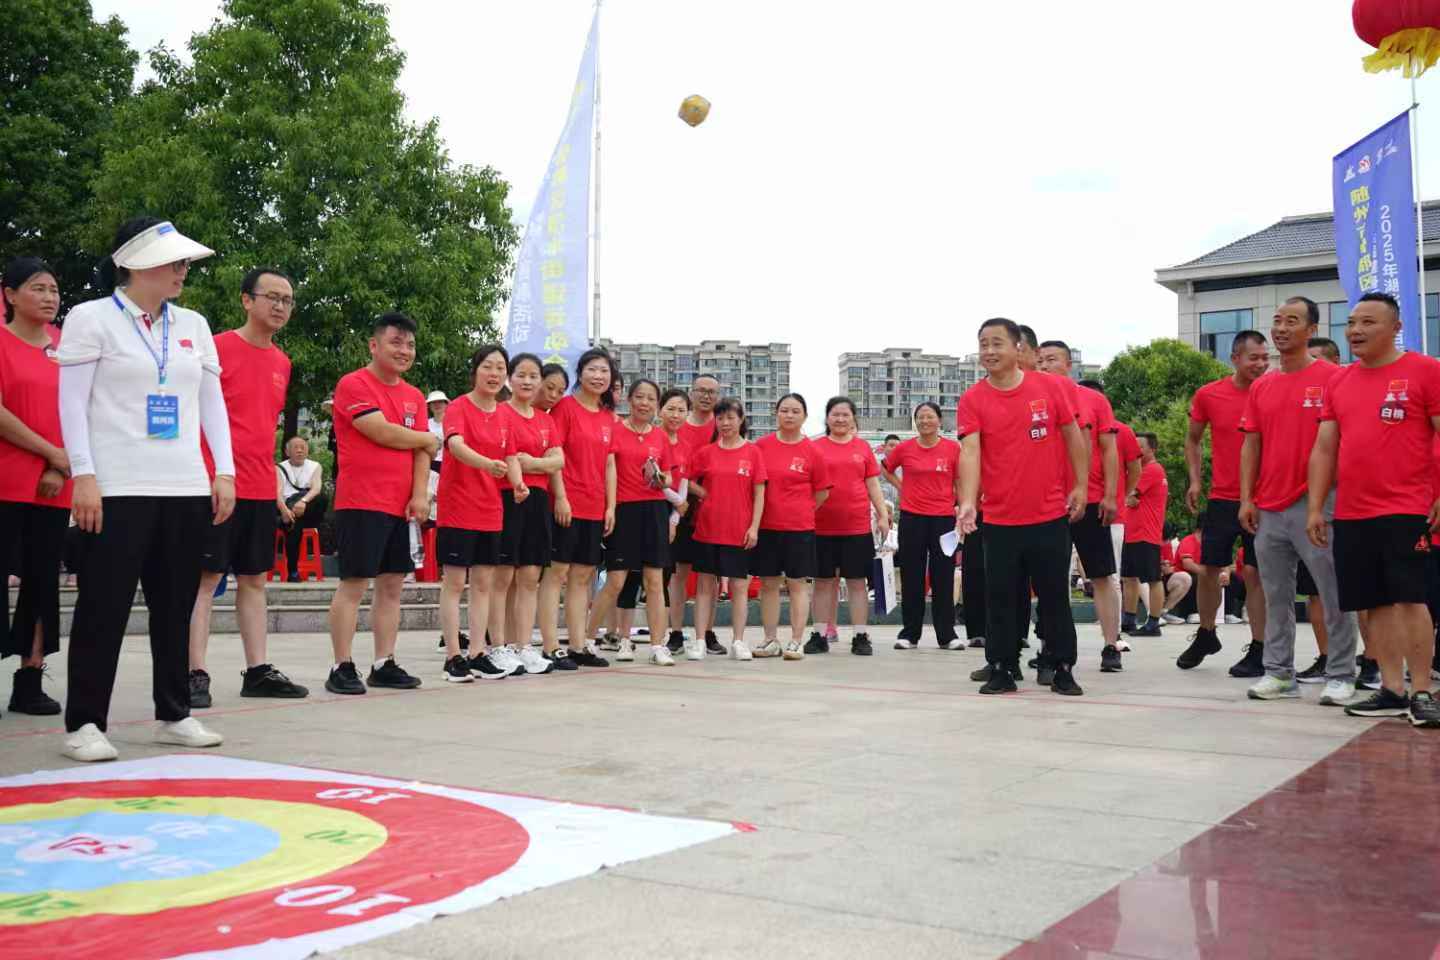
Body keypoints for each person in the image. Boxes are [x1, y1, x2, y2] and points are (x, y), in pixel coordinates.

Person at [57, 216, 231, 761]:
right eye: (173, 262)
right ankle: (85, 723)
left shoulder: (193, 324)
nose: (182, 271)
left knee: (174, 606)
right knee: (103, 606)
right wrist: (84, 475)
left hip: (184, 485)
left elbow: (211, 404)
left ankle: (174, 713)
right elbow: (71, 404)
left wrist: (223, 471)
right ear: (134, 263)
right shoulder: (90, 318)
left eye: (184, 262)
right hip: (116, 485)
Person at [1308, 292, 1439, 727]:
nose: (1356, 330)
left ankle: (1422, 691)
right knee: (1374, 603)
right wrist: (1315, 507)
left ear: (1396, 328)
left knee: (1410, 598)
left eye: (1368, 322)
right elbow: (1324, 448)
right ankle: (1391, 689)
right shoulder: (1340, 381)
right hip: (1352, 511)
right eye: (1352, 322)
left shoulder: (1425, 370)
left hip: (1407, 507)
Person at [188, 268, 308, 708]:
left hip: (259, 486)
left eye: (287, 300)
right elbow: (196, 417)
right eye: (271, 296)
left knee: (255, 579)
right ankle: (193, 673)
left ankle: (257, 671)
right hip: (217, 483)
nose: (280, 306)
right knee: (205, 580)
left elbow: (263, 429)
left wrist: (273, 489)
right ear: (246, 300)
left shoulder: (282, 362)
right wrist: (212, 477)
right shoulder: (215, 348)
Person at [958, 318, 1088, 695]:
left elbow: (1073, 436)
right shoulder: (973, 399)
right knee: (1000, 597)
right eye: (983, 344)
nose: (989, 351)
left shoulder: (1050, 387)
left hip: (1048, 514)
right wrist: (968, 502)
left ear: (1018, 348)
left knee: (1054, 596)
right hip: (1000, 517)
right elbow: (970, 451)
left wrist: (1080, 485)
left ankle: (1061, 666)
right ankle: (1002, 667)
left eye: (997, 343)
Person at [1239, 296, 1358, 705]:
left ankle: (1341, 673)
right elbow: (1251, 445)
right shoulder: (1263, 385)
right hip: (1268, 506)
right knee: (1276, 595)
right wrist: (1247, 498)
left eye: (1292, 321)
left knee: (1333, 593)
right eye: (1277, 320)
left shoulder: (1335, 378)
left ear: (1311, 330)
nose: (1282, 328)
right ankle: (1279, 673)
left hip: (1319, 502)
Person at [324, 312, 438, 695]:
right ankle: (341, 665)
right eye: (395, 342)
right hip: (361, 500)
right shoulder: (353, 384)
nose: (404, 350)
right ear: (374, 345)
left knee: (392, 585)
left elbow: (423, 452)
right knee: (354, 583)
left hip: (400, 505)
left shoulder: (415, 397)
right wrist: (424, 438)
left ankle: (383, 663)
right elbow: (379, 431)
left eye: (410, 345)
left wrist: (419, 495)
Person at [0, 257, 69, 717]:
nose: (49, 297)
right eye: (38, 288)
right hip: (5, 482)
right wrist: (50, 453)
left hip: (55, 485)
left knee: (42, 581)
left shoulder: (69, 346)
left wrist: (60, 467)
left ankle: (29, 678)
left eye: (54, 290)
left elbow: (84, 409)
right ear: (10, 295)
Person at [1179, 330, 1270, 673]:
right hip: (1222, 497)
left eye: (1265, 358)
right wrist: (1195, 480)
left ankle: (1259, 648)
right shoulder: (1209, 394)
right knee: (1209, 569)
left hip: (1264, 498)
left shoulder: (1272, 391)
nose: (1260, 364)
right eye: (1253, 358)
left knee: (1254, 573)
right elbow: (1193, 439)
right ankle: (1206, 633)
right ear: (1235, 358)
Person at [1038, 341, 1121, 672]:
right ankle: (1049, 645)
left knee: (1101, 574)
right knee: (1049, 578)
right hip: (1047, 502)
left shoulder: (1093, 400)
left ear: (1069, 364)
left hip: (1091, 498)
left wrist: (1111, 495)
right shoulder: (1034, 401)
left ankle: (1112, 645)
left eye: (1052, 359)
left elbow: (1110, 449)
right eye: (1040, 361)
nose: (1045, 366)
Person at [584, 379, 677, 665]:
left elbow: (670, 477)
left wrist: (660, 478)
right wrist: (609, 508)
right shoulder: (615, 430)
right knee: (615, 580)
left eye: (650, 399)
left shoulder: (660, 437)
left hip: (654, 511)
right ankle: (587, 640)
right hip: (624, 511)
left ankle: (658, 646)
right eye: (639, 397)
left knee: (654, 581)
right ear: (629, 399)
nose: (644, 403)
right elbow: (607, 470)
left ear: (656, 405)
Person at [545, 347, 618, 668]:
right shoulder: (564, 408)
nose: (598, 376)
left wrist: (610, 507)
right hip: (566, 504)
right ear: (580, 372)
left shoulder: (607, 417)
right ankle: (551, 647)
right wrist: (561, 497)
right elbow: (553, 454)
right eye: (592, 369)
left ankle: (578, 645)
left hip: (595, 506)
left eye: (604, 371)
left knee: (583, 575)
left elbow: (610, 464)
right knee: (557, 573)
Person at [495, 353, 566, 669]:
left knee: (529, 576)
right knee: (503, 576)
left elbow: (558, 461)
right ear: (510, 378)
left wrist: (530, 462)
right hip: (506, 497)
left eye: (533, 376)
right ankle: (499, 646)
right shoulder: (499, 413)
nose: (527, 381)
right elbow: (504, 457)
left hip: (537, 500)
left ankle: (523, 645)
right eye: (521, 375)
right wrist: (538, 463)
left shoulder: (545, 421)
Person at [750, 393, 831, 660]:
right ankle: (770, 639)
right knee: (768, 584)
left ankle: (796, 640)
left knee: (798, 585)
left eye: (795, 411)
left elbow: (822, 492)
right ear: (776, 413)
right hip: (767, 526)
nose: (789, 415)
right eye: (784, 410)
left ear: (804, 416)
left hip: (799, 528)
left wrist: (802, 510)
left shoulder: (813, 451)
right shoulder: (761, 447)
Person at [811, 396, 889, 657]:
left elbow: (873, 484)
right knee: (822, 582)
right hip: (821, 527)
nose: (840, 419)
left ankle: (860, 635)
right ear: (827, 418)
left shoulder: (862, 447)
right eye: (835, 414)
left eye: (845, 414)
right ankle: (819, 634)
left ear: (853, 418)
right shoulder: (815, 447)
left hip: (856, 527)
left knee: (857, 583)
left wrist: (882, 515)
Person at [689, 397, 766, 659]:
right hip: (708, 529)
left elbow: (760, 493)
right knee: (704, 587)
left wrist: (754, 527)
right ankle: (700, 640)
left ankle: (738, 641)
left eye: (730, 418)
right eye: (720, 418)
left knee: (739, 587)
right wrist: (703, 493)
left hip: (739, 531)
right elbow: (686, 480)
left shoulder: (753, 452)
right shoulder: (706, 452)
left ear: (741, 419)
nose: (725, 423)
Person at [882, 402, 961, 650]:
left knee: (943, 576)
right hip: (912, 517)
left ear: (939, 420)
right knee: (912, 575)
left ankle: (947, 635)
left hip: (944, 519)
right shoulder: (905, 448)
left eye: (930, 417)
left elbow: (960, 479)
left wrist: (960, 506)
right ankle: (910, 633)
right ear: (915, 421)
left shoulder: (952, 448)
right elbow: (886, 468)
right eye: (920, 417)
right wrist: (902, 488)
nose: (925, 421)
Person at [1081, 380, 1142, 656]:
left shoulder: (1121, 431)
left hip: (1107, 511)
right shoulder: (1067, 420)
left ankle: (1113, 638)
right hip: (1065, 505)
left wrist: (1123, 495)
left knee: (1109, 574)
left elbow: (1134, 465)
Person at [669, 374, 726, 656]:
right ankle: (676, 632)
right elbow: (671, 467)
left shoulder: (723, 426)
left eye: (712, 392)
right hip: (680, 506)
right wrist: (695, 490)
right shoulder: (678, 424)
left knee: (709, 575)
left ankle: (707, 632)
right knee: (679, 573)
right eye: (701, 390)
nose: (706, 396)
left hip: (714, 510)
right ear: (691, 393)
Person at [1121, 433, 1175, 637]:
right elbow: (1129, 499)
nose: (1136, 451)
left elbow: (1129, 495)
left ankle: (1153, 623)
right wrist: (1129, 499)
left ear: (1152, 449)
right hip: (1133, 533)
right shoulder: (1143, 470)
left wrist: (1129, 498)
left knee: (1153, 579)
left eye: (1141, 447)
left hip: (1146, 534)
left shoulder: (1152, 470)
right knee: (1129, 578)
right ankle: (1129, 620)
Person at [278, 435, 325, 582]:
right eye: (295, 448)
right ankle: (293, 572)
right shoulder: (279, 468)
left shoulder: (315, 466)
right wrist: (284, 511)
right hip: (288, 509)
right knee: (295, 525)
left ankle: (292, 571)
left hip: (308, 508)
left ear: (307, 450)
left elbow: (316, 488)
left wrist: (303, 501)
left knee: (321, 498)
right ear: (287, 452)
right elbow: (277, 493)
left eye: (303, 447)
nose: (299, 450)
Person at [425, 389, 448, 473]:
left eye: (440, 402)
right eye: (433, 402)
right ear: (429, 406)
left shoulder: (452, 422)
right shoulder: (425, 423)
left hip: (448, 462)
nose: (437, 405)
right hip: (429, 463)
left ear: (446, 404)